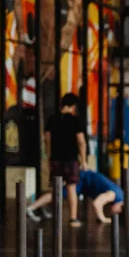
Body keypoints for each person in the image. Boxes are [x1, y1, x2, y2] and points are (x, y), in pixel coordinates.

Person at [37, 92, 88, 227]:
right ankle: (72, 218)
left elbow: (47, 139)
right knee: (71, 188)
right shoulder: (75, 120)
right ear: (73, 106)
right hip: (71, 159)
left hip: (56, 159)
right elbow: (81, 141)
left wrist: (49, 156)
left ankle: (57, 216)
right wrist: (84, 161)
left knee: (56, 188)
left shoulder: (52, 119)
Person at [27, 169, 123, 224]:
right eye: (118, 212)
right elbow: (97, 203)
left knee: (58, 194)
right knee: (57, 194)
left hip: (84, 181)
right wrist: (103, 218)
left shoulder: (120, 195)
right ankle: (31, 208)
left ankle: (39, 207)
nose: (115, 213)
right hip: (82, 179)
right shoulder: (114, 195)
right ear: (120, 207)